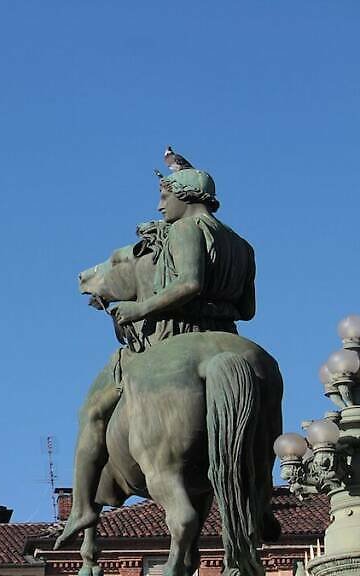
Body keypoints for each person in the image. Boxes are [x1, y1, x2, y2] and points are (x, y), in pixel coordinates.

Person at [57, 166, 257, 547]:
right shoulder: (242, 246)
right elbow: (246, 309)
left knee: (92, 413)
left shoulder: (184, 230)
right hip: (226, 336)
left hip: (170, 337)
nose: (160, 204)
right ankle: (258, 508)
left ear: (185, 196)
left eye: (166, 195)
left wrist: (141, 309)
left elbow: (190, 283)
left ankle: (83, 507)